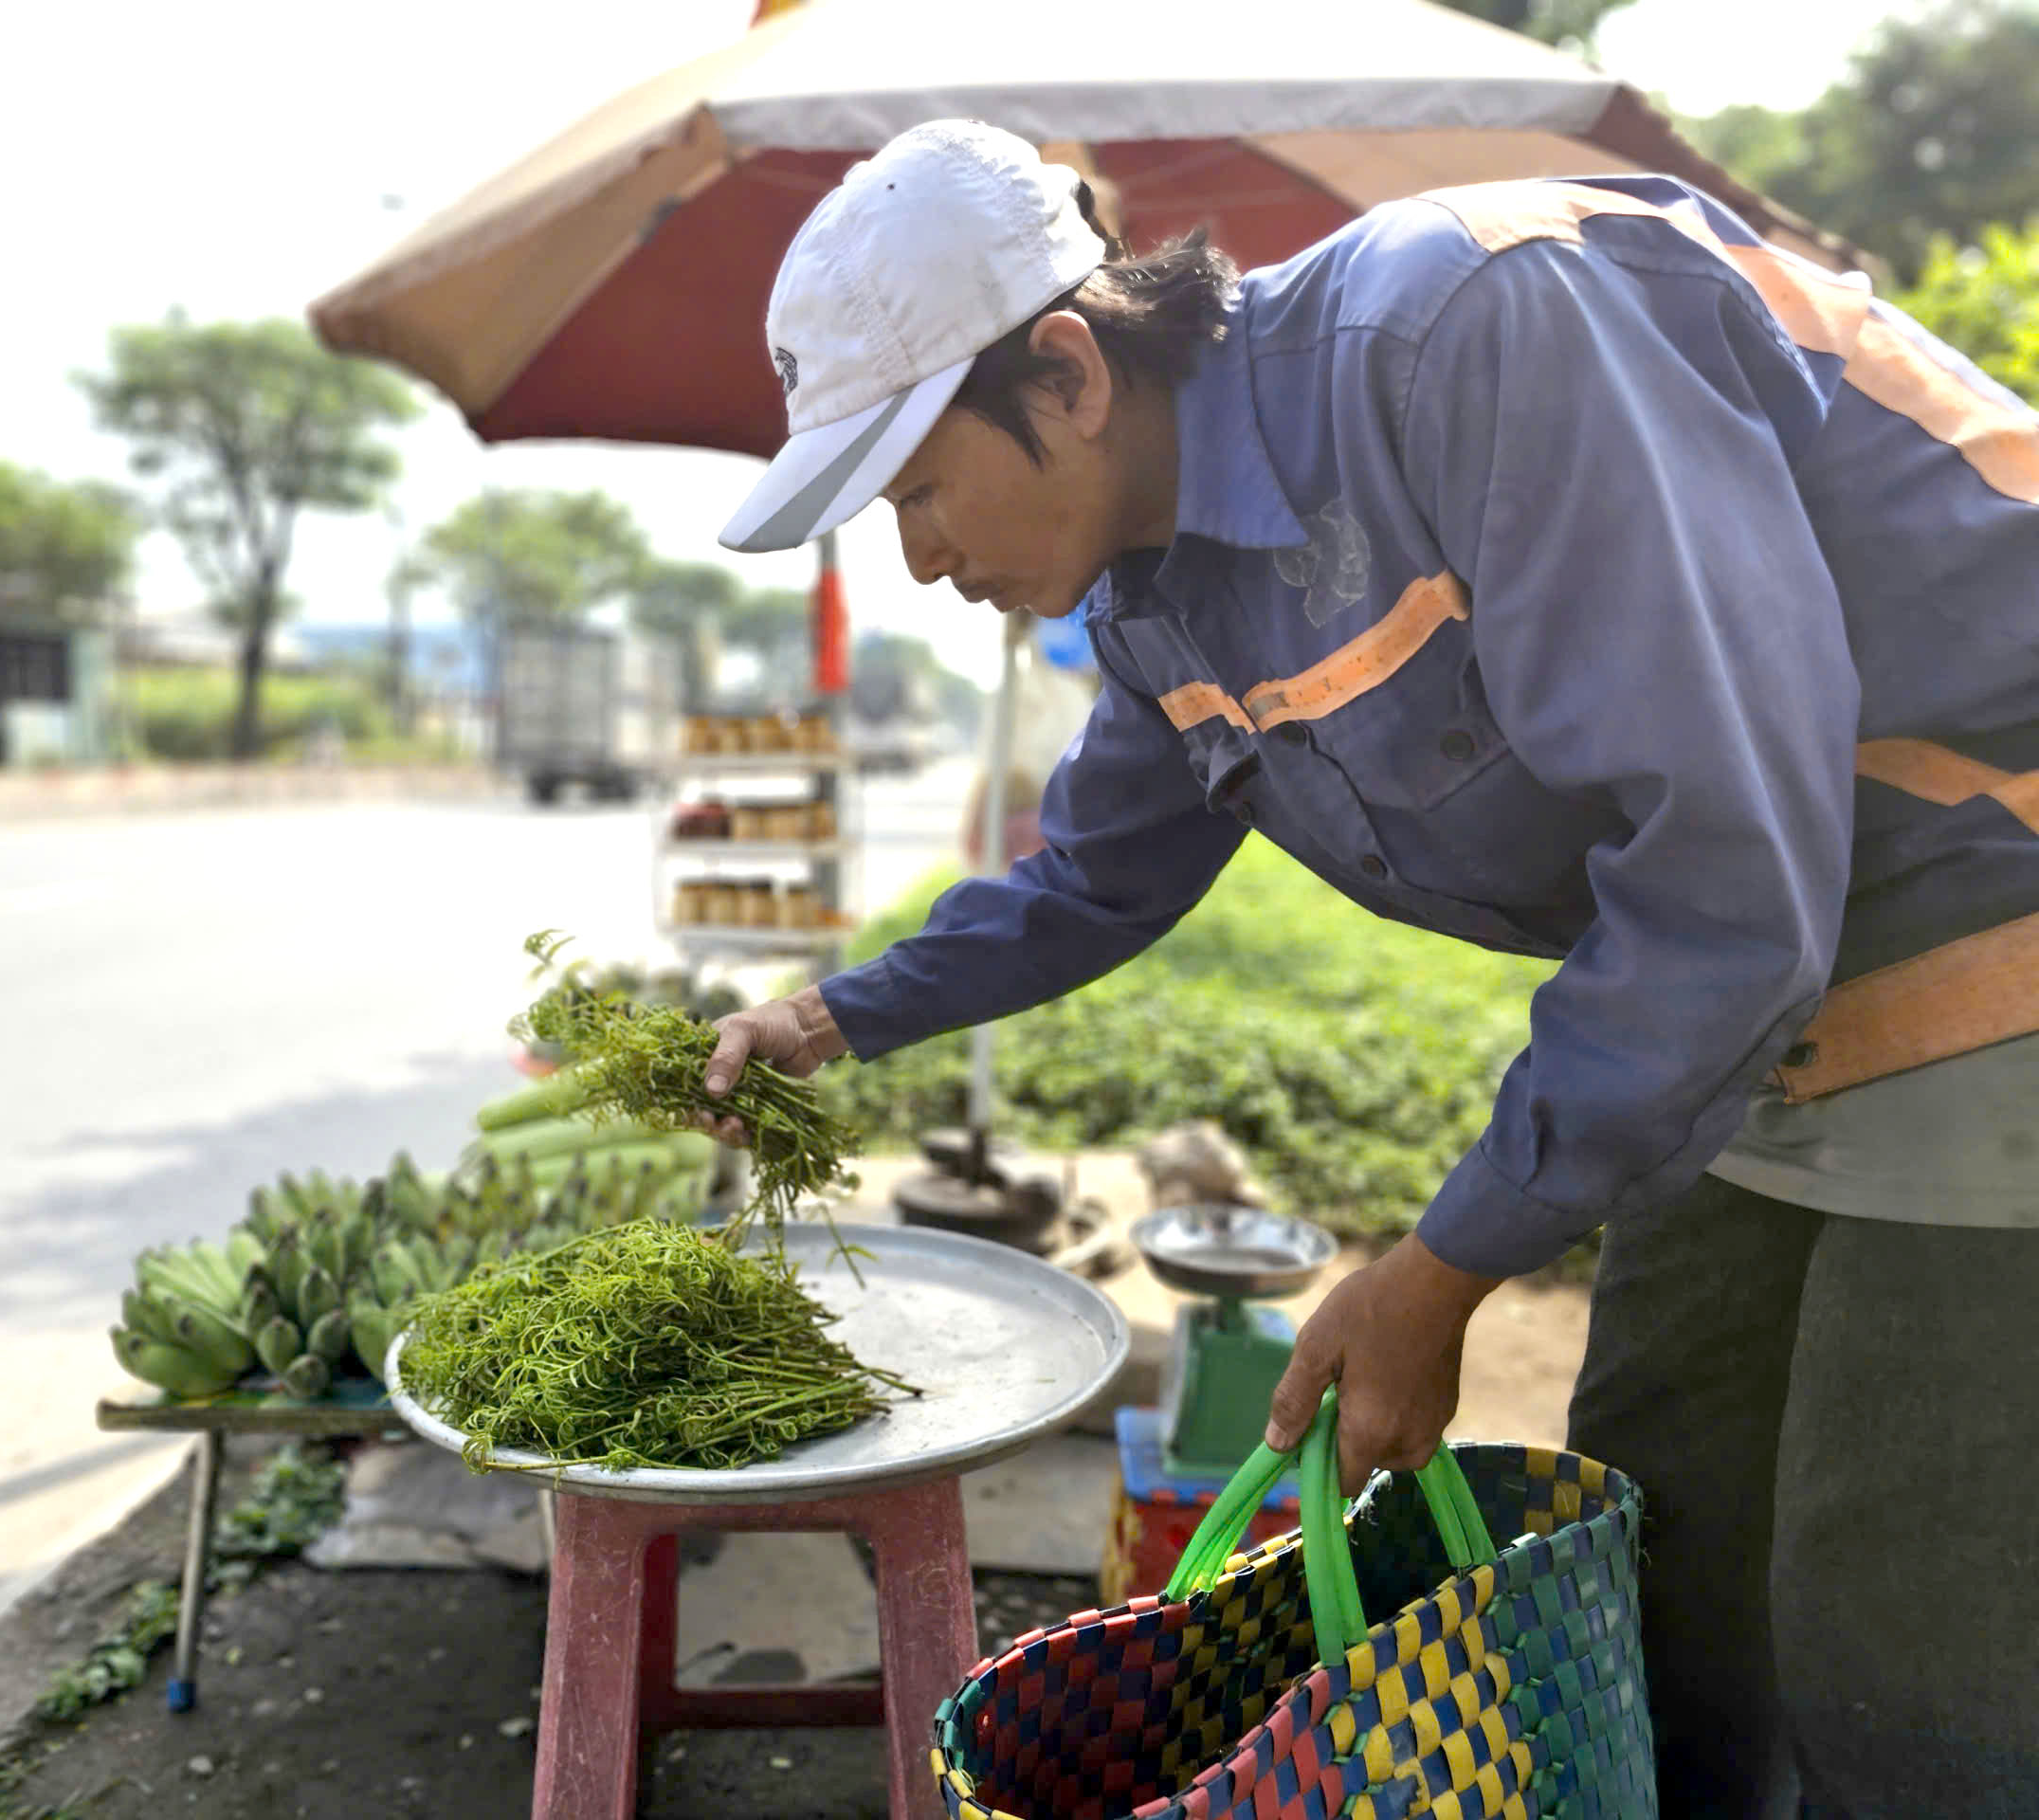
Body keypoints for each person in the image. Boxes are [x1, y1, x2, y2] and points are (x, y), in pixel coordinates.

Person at [701, 118, 2039, 1817]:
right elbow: (1095, 877)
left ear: (1068, 372)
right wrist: (827, 1016)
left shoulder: (1476, 327)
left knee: (1900, 1645)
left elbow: (1724, 858)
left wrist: (1437, 1272)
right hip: (1754, 1011)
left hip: (1989, 905)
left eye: (916, 489)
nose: (919, 555)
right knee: (1650, 1573)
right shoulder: (1157, 601)